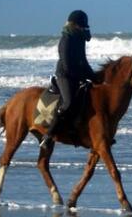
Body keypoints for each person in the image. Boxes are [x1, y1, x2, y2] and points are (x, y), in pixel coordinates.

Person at [40, 10, 97, 150]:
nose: (84, 28)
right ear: (74, 25)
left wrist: (94, 76)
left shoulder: (80, 38)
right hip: (64, 75)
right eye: (81, 25)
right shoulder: (66, 40)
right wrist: (81, 77)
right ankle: (48, 135)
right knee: (68, 102)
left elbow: (83, 60)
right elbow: (67, 64)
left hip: (77, 74)